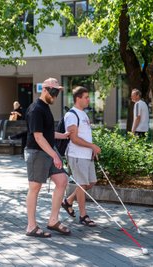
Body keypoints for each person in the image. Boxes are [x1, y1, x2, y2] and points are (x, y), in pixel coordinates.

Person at [24, 77, 71, 238]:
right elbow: (38, 137)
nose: (56, 96)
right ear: (44, 89)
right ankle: (31, 226)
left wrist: (63, 136)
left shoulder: (45, 107)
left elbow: (47, 132)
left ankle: (53, 221)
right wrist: (54, 156)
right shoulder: (35, 109)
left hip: (48, 151)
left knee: (62, 180)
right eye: (54, 92)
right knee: (35, 188)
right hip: (37, 152)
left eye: (57, 92)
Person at [61, 86, 101, 227]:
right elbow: (74, 138)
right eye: (86, 97)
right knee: (82, 185)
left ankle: (68, 201)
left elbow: (84, 136)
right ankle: (83, 216)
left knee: (91, 183)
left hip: (86, 155)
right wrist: (92, 146)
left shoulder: (83, 114)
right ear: (78, 98)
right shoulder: (71, 115)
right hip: (76, 155)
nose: (88, 99)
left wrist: (91, 149)